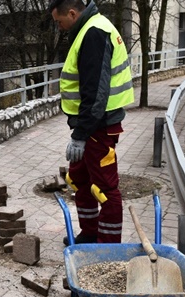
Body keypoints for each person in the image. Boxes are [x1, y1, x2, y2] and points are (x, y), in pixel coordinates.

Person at [49, 0, 135, 245]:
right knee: (80, 179)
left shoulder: (94, 34)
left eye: (60, 22)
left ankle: (107, 248)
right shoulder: (89, 29)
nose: (60, 28)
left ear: (73, 13)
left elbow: (96, 93)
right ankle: (89, 233)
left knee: (105, 189)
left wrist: (80, 135)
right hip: (92, 125)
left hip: (99, 126)